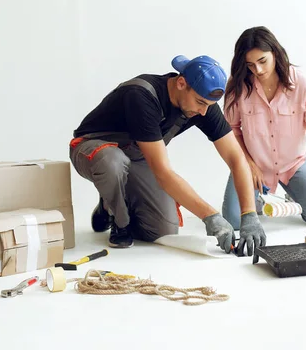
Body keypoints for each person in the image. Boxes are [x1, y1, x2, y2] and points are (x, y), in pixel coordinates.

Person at [69, 55, 266, 256]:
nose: (204, 111)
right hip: (93, 149)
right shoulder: (142, 96)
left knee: (163, 229)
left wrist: (249, 215)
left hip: (136, 154)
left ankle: (111, 201)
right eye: (200, 102)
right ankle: (119, 219)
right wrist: (210, 216)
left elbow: (236, 157)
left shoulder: (203, 106)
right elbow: (162, 172)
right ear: (181, 83)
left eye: (208, 104)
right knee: (113, 162)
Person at [222, 26, 306, 230]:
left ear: (275, 52)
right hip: (252, 165)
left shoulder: (301, 84)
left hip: (293, 165)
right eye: (250, 65)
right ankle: (258, 200)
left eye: (262, 61)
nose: (258, 70)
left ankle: (290, 194)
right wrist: (249, 163)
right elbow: (231, 131)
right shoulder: (238, 85)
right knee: (233, 221)